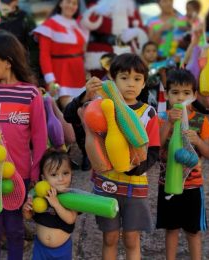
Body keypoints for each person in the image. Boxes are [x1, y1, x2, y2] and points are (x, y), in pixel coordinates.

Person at [65, 53, 160, 259]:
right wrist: (84, 95)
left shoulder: (148, 113)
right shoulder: (101, 106)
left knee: (132, 239)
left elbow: (154, 151)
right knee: (109, 238)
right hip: (106, 183)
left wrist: (136, 168)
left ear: (144, 84)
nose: (130, 84)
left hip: (135, 185)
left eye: (137, 79)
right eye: (124, 78)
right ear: (113, 81)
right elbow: (70, 115)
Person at [0, 30, 47, 260]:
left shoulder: (31, 94)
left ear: (7, 62)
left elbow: (39, 137)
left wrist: (37, 171)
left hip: (19, 175)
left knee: (16, 230)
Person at [157, 69, 209, 260]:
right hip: (167, 184)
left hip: (193, 185)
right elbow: (155, 147)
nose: (180, 98)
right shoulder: (162, 118)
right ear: (167, 95)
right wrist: (168, 125)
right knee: (171, 229)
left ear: (194, 95)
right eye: (175, 93)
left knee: (193, 231)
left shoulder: (200, 120)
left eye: (186, 93)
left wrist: (197, 141)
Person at [22, 149, 78, 259]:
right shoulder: (39, 195)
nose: (61, 179)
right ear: (44, 178)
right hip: (40, 248)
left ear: (72, 173)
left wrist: (56, 204)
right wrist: (26, 210)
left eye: (65, 173)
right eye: (54, 174)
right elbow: (29, 217)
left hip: (62, 250)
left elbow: (70, 219)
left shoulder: (73, 197)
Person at [33, 0, 88, 109]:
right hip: (61, 74)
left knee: (82, 111)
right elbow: (44, 55)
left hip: (79, 74)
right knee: (69, 111)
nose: (71, 6)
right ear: (60, 3)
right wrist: (50, 80)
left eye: (74, 3)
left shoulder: (79, 25)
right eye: (68, 2)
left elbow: (83, 52)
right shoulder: (49, 25)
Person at [81, 0, 147, 78]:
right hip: (99, 55)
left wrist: (138, 32)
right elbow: (85, 23)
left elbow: (142, 31)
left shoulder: (132, 9)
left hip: (124, 56)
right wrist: (97, 11)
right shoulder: (98, 5)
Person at [138, 41, 167, 114]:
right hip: (143, 102)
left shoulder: (161, 67)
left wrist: (163, 74)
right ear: (143, 54)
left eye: (154, 51)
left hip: (158, 103)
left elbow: (165, 86)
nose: (151, 53)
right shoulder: (139, 68)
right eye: (148, 51)